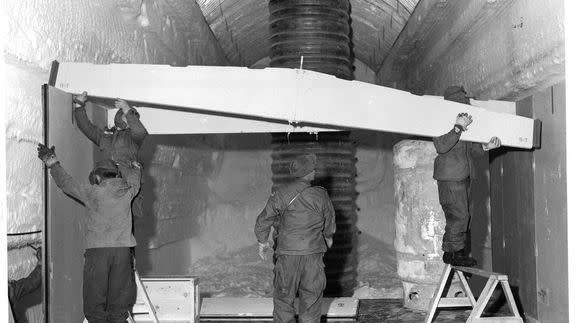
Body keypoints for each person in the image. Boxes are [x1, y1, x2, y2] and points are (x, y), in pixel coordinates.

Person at [37, 143, 141, 322]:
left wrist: (53, 163)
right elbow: (135, 179)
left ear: (99, 177)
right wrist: (136, 168)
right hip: (123, 252)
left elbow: (67, 184)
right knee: (119, 307)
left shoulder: (92, 192)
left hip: (98, 252)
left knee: (95, 306)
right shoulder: (128, 191)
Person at [254, 153, 336, 323]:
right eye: (313, 169)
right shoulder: (320, 195)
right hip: (313, 255)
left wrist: (262, 241)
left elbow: (263, 220)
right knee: (311, 299)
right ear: (309, 173)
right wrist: (328, 236)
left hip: (287, 255)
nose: (314, 171)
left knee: (284, 299)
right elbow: (330, 221)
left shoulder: (281, 193)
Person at [434, 86, 501, 267]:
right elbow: (441, 146)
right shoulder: (440, 119)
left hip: (466, 176)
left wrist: (486, 147)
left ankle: (452, 253)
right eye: (461, 101)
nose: (464, 105)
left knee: (464, 216)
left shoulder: (465, 124)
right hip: (450, 177)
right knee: (459, 216)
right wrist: (457, 128)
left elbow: (471, 151)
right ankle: (457, 254)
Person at [73, 92, 148, 218]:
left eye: (132, 119)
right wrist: (79, 105)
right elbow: (86, 127)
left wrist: (127, 109)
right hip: (106, 186)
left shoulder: (133, 140)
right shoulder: (106, 136)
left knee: (123, 222)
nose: (129, 121)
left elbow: (140, 131)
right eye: (127, 117)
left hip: (125, 189)